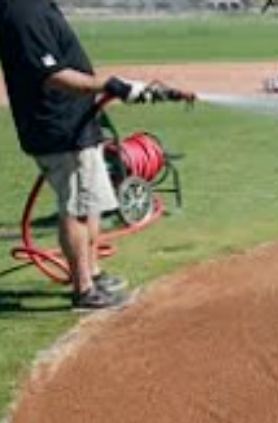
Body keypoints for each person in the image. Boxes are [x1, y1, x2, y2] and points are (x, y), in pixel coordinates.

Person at [1, 0, 193, 310]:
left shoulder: (37, 6)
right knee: (76, 207)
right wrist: (105, 84)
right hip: (60, 129)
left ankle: (93, 273)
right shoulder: (24, 11)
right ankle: (84, 291)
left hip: (78, 122)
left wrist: (115, 89)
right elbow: (53, 75)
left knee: (89, 204)